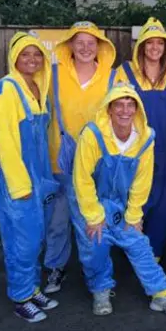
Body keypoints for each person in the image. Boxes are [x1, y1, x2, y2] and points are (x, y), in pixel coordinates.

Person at [70, 83, 166, 316]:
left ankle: (162, 294)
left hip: (122, 204)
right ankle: (101, 290)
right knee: (96, 246)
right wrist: (93, 216)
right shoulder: (92, 134)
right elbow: (81, 178)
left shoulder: (145, 138)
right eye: (119, 105)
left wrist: (134, 214)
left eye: (130, 105)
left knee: (138, 243)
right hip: (91, 201)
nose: (125, 111)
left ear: (137, 109)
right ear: (109, 109)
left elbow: (142, 180)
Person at [0, 31, 60, 322]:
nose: (32, 59)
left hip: (38, 177)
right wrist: (19, 185)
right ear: (13, 58)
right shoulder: (5, 89)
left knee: (36, 237)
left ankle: (31, 289)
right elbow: (2, 139)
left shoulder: (37, 88)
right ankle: (20, 297)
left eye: (37, 54)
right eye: (25, 54)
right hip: (17, 181)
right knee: (22, 240)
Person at [45, 21, 117, 294]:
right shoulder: (52, 74)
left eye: (91, 42)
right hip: (59, 159)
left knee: (94, 221)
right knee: (57, 220)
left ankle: (98, 277)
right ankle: (55, 268)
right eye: (80, 42)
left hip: (97, 163)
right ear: (70, 46)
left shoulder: (113, 77)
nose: (86, 48)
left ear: (99, 46)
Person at [116, 17, 166, 262]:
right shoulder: (125, 72)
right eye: (149, 43)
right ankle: (133, 251)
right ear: (140, 46)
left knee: (164, 205)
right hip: (134, 147)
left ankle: (155, 256)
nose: (154, 48)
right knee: (134, 199)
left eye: (160, 44)